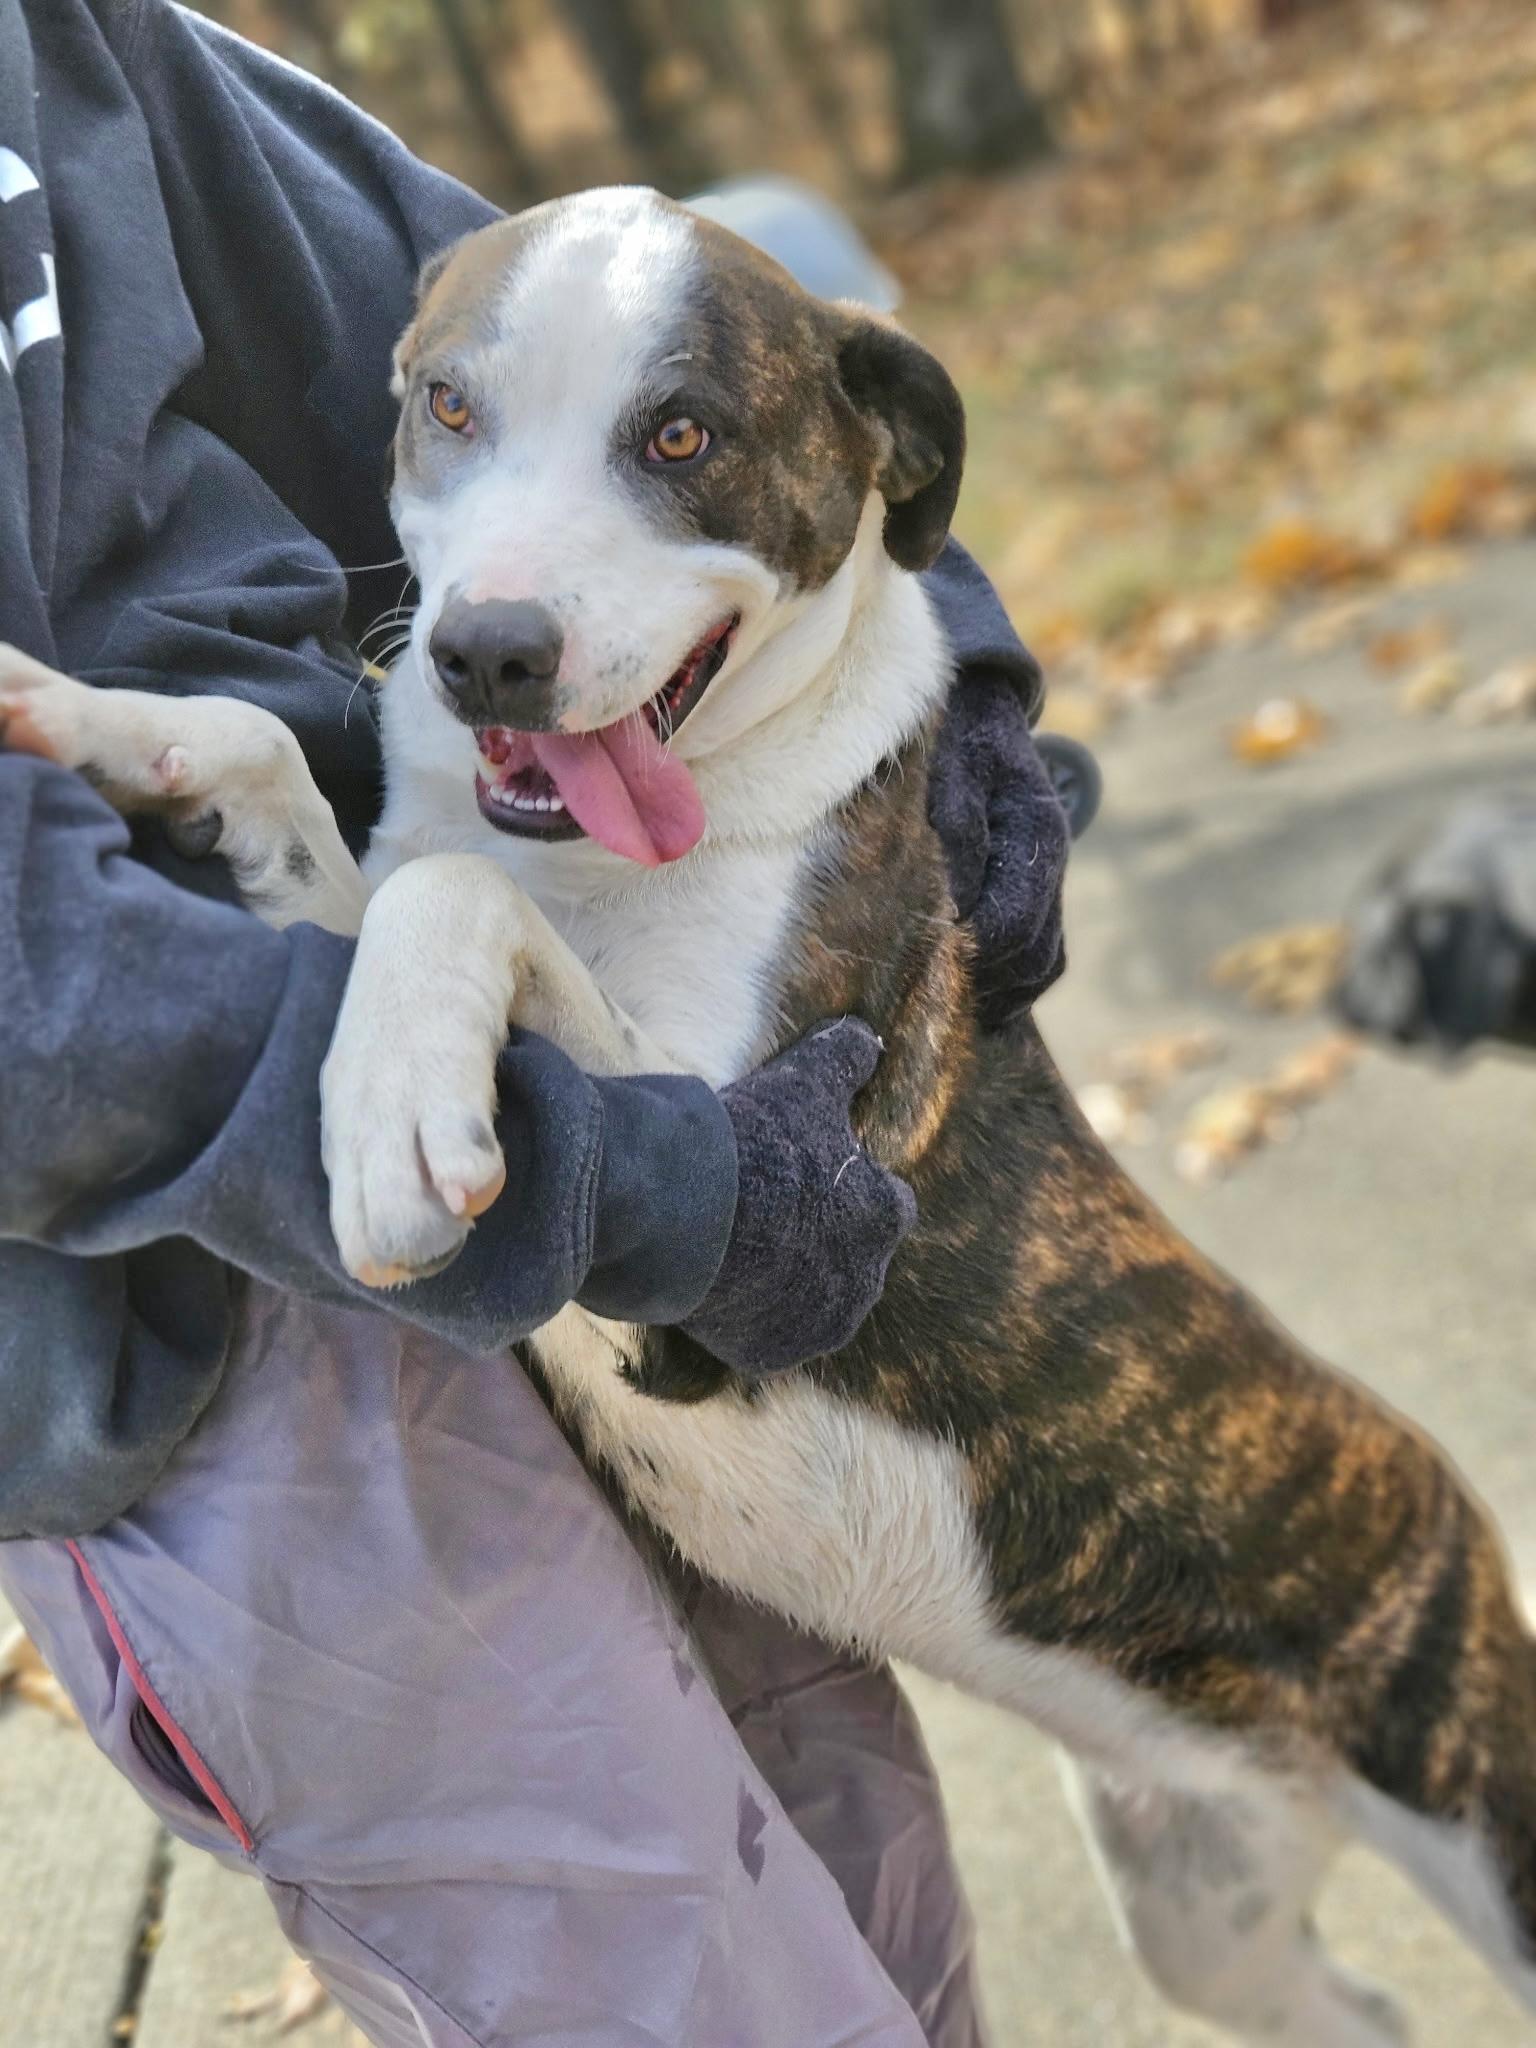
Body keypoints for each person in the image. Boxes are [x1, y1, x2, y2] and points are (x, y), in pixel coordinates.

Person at [0, 2, 1072, 2042]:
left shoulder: (68, 38)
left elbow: (572, 313)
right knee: (679, 1996)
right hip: (182, 1326)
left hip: (547, 1077)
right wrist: (639, 1181)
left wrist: (965, 671)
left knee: (874, 1909)